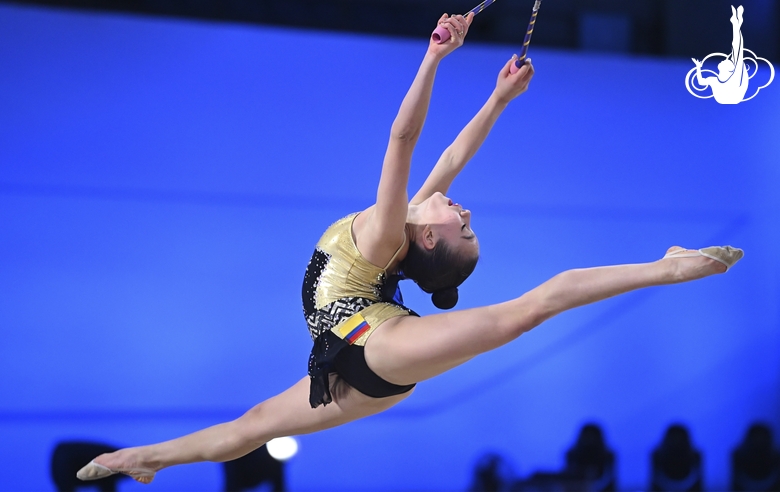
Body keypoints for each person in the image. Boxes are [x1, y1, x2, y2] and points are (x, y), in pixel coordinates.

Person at [77, 12, 743, 484]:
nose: (463, 206)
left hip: (378, 347)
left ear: (427, 236)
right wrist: (499, 100)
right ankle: (147, 458)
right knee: (252, 423)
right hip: (367, 353)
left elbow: (404, 140)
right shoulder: (400, 238)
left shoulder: (388, 233)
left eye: (465, 224)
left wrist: (434, 56)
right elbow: (452, 155)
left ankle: (667, 267)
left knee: (531, 307)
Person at [692, 5, 749, 104]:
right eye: (728, 61)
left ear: (728, 69)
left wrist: (736, 26)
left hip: (732, 97)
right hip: (728, 98)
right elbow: (701, 82)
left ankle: (736, 23)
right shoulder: (715, 80)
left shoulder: (733, 79)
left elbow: (738, 50)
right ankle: (736, 23)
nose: (725, 59)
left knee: (737, 51)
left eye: (727, 61)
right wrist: (698, 67)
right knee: (736, 51)